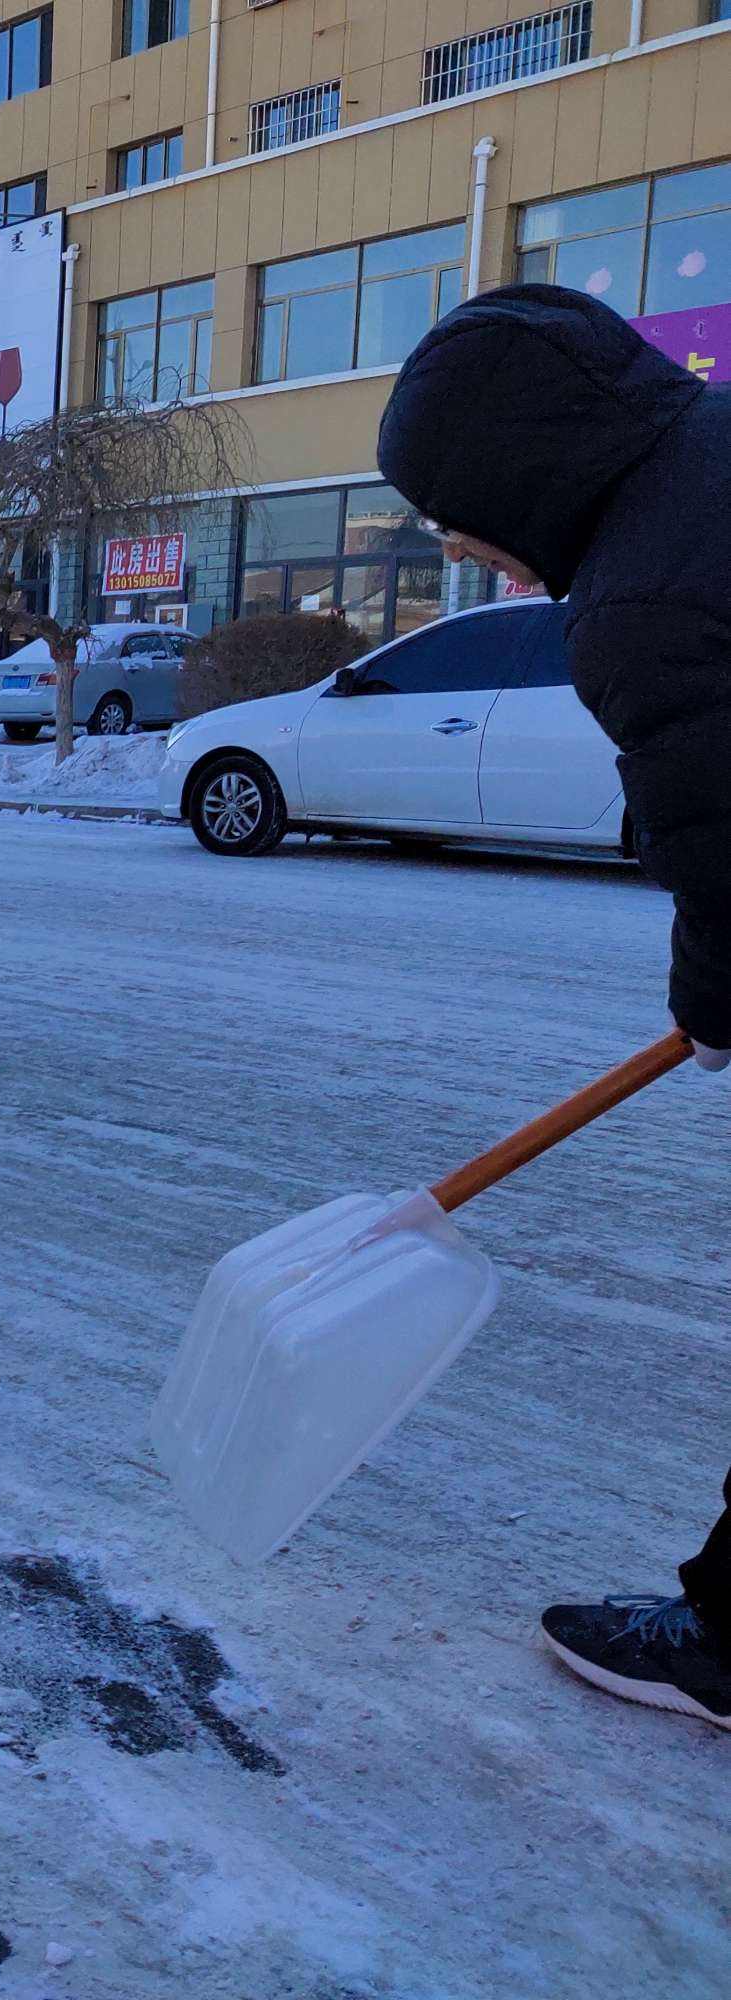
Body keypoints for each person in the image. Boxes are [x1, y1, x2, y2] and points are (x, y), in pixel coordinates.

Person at [378, 281, 731, 1728]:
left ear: (517, 473)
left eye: (453, 516)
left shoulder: (642, 598)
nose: (460, 550)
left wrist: (714, 1000)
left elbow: (726, 854)